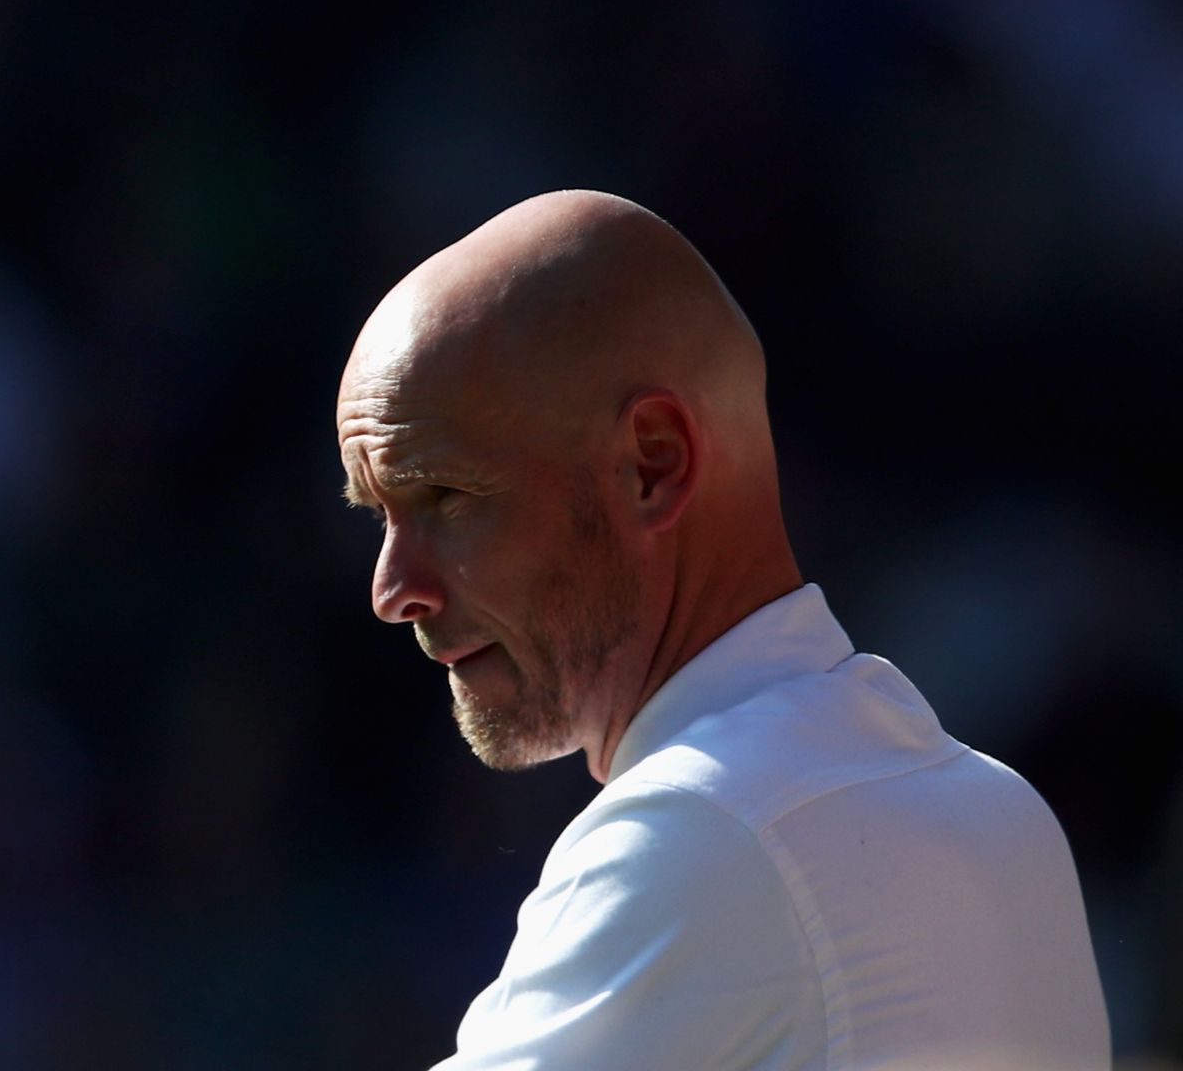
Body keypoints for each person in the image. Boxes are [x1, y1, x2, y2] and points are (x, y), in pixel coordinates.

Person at [335, 191, 1110, 1070]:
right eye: (381, 517)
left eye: (446, 496)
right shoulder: (1002, 811)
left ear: (653, 464)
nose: (393, 590)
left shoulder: (701, 831)